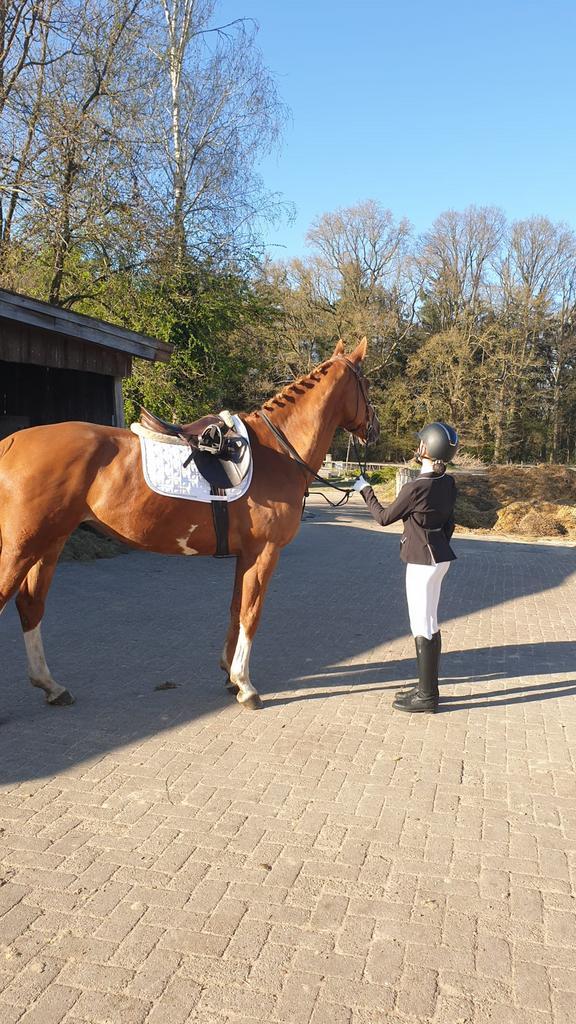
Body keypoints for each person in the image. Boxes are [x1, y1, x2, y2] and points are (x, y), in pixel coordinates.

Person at [353, 422, 459, 714]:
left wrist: (365, 490)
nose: (418, 446)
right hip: (440, 559)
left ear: (427, 449)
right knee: (431, 621)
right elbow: (449, 522)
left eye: (421, 442)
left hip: (422, 562)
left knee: (421, 624)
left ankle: (426, 696)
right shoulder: (448, 483)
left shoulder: (415, 488)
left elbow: (383, 517)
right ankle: (427, 688)